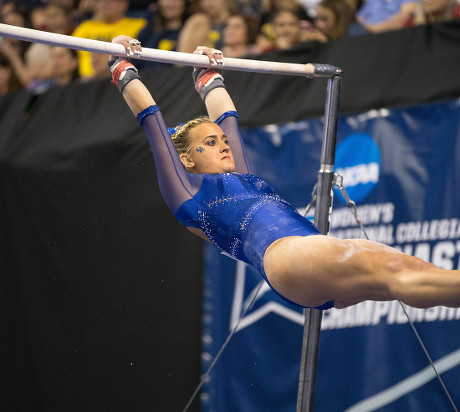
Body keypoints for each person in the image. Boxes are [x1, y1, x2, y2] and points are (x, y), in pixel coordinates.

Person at [107, 35, 460, 310]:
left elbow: (226, 114)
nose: (224, 144)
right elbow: (151, 119)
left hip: (306, 257)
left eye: (221, 140)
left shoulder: (241, 177)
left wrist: (207, 73)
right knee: (399, 274)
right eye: (211, 144)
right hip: (287, 255)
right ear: (186, 159)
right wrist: (119, 64)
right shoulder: (187, 193)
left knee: (420, 274)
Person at [72, 0, 147, 79]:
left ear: (124, 3)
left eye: (110, 1)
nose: (104, 3)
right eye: (100, 1)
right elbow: (68, 54)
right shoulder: (84, 27)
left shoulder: (139, 25)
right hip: (81, 82)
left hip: (117, 79)